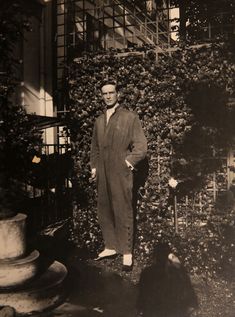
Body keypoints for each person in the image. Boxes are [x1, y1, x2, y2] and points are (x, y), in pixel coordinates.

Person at [90, 80, 147, 270]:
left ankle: (127, 252)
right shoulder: (99, 121)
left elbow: (141, 147)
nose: (108, 96)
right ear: (101, 95)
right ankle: (111, 246)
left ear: (118, 94)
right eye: (104, 93)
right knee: (104, 208)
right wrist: (94, 168)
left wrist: (127, 163)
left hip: (120, 170)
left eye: (111, 92)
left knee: (123, 209)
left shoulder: (129, 117)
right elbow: (95, 148)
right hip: (103, 172)